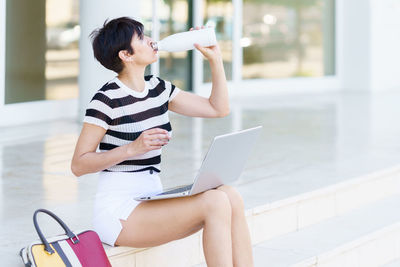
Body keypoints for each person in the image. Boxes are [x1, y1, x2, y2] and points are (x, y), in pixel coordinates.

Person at [71, 17, 254, 267]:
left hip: (150, 197)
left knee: (229, 195)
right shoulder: (106, 99)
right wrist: (132, 148)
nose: (151, 41)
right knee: (215, 201)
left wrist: (215, 60)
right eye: (142, 38)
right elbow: (79, 165)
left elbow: (217, 108)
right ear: (126, 54)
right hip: (119, 212)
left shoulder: (158, 88)